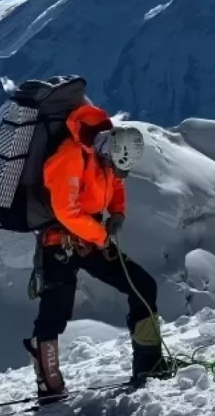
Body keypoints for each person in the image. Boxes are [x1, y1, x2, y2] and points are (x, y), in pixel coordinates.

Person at [23, 101, 161, 403]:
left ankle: (149, 364)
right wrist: (101, 236)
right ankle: (49, 385)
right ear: (108, 150)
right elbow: (66, 210)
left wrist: (118, 213)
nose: (117, 171)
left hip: (89, 238)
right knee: (54, 315)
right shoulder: (70, 157)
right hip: (59, 243)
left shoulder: (106, 155)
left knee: (142, 285)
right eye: (115, 164)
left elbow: (116, 185)